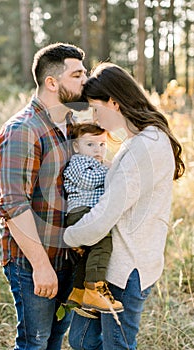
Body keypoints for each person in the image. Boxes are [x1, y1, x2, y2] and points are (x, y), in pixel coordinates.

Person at [64, 62, 185, 350]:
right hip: (114, 263)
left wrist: (65, 238)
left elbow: (106, 213)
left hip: (127, 267)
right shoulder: (141, 140)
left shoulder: (145, 145)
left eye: (96, 108)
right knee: (81, 339)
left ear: (114, 103)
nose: (94, 118)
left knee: (116, 346)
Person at [0, 42, 87, 350]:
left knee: (54, 341)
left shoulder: (71, 125)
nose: (86, 81)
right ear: (52, 82)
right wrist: (41, 267)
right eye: (77, 75)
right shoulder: (23, 130)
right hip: (31, 261)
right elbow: (14, 205)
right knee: (34, 343)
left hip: (65, 257)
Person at [63, 123, 124, 317]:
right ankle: (95, 288)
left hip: (89, 212)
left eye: (102, 144)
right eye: (90, 144)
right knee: (103, 242)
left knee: (89, 253)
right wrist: (112, 170)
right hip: (80, 212)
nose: (98, 150)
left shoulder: (96, 162)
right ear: (76, 146)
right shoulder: (78, 161)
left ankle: (78, 293)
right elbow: (87, 181)